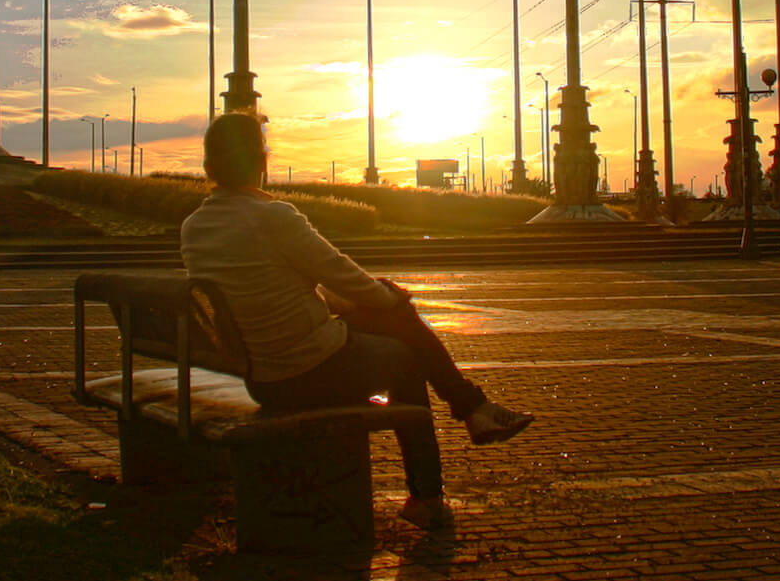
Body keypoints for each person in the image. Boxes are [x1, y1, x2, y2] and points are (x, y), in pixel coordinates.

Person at [181, 112, 533, 529]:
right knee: (403, 352)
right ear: (261, 160)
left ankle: (469, 415)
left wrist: (355, 303)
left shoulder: (194, 227)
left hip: (263, 375)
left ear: (209, 165)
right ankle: (437, 475)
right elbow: (339, 271)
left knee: (389, 316)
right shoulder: (272, 217)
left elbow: (271, 288)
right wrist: (387, 298)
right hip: (308, 368)